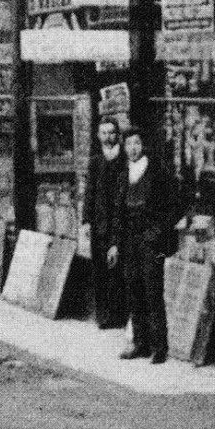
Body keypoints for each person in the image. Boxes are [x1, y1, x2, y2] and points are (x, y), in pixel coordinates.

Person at [108, 127, 182, 364]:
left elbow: (177, 204)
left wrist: (159, 231)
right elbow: (117, 213)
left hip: (153, 243)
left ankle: (160, 346)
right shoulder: (122, 176)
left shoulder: (158, 172)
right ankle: (140, 343)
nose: (133, 148)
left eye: (137, 143)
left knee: (153, 291)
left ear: (144, 145)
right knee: (134, 291)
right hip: (130, 242)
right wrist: (114, 244)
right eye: (129, 144)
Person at [81, 118, 126, 329]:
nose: (108, 137)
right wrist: (86, 220)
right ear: (99, 136)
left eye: (111, 133)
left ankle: (118, 315)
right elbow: (89, 192)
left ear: (117, 135)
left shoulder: (124, 160)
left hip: (120, 223)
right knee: (100, 270)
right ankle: (103, 315)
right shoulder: (96, 161)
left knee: (118, 271)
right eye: (104, 133)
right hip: (100, 223)